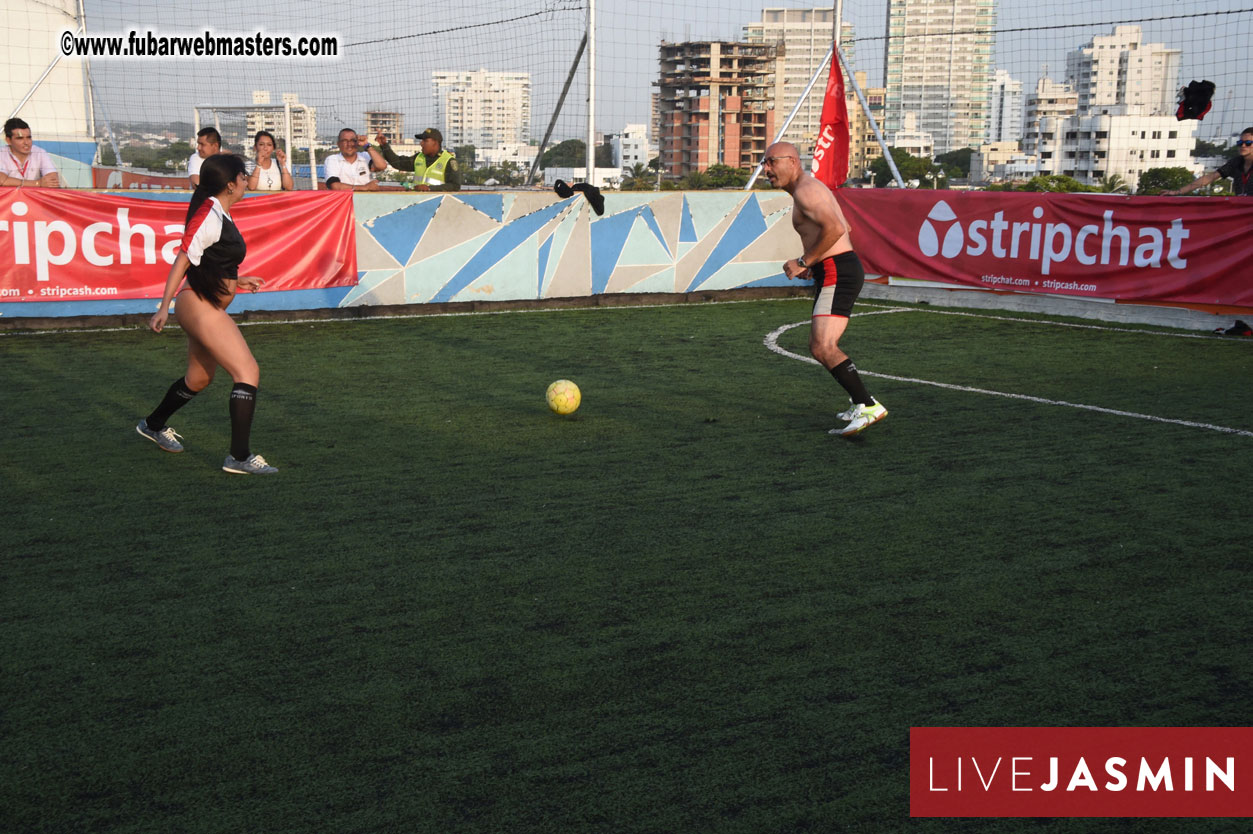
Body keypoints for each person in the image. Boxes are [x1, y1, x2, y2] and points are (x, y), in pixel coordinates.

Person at [137, 153, 278, 475]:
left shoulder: (219, 213)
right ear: (231, 184)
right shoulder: (210, 214)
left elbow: (210, 261)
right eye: (244, 177)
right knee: (247, 372)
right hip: (198, 303)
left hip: (204, 300)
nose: (247, 182)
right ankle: (239, 457)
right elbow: (183, 260)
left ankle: (153, 424)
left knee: (199, 378)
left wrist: (236, 281)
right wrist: (163, 307)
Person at [764, 140, 887, 437]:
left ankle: (867, 404)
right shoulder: (810, 188)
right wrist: (815, 264)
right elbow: (847, 229)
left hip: (838, 270)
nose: (766, 169)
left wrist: (805, 260)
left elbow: (836, 230)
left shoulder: (807, 190)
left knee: (822, 346)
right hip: (835, 268)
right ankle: (861, 403)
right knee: (820, 345)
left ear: (792, 161)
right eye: (764, 164)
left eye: (771, 162)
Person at [1164, 127, 1253, 196]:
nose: (1243, 146)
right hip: (1242, 210)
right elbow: (1210, 177)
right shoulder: (1236, 162)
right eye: (1240, 143)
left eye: (1248, 143)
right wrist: (1177, 192)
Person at [373, 127, 462, 191]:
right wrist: (384, 145)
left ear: (435, 142)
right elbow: (397, 162)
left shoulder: (449, 161)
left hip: (439, 204)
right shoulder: (418, 158)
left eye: (425, 141)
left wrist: (429, 188)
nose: (421, 144)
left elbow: (455, 186)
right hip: (419, 203)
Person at [1, 118, 60, 187]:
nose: (26, 142)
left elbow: (53, 180)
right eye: (20, 138)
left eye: (29, 137)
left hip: (34, 197)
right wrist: (38, 183)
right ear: (8, 140)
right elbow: (2, 181)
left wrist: (12, 182)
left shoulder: (39, 152)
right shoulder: (2, 153)